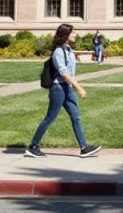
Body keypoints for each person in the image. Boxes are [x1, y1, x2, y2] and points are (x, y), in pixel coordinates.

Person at [25, 23, 101, 158]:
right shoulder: (58, 52)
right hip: (58, 89)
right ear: (66, 35)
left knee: (76, 117)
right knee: (50, 118)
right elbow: (64, 73)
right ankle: (33, 147)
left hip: (67, 88)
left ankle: (84, 148)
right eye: (73, 32)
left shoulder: (68, 49)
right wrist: (79, 88)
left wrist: (73, 86)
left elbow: (70, 72)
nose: (75, 34)